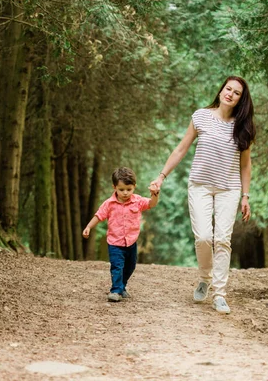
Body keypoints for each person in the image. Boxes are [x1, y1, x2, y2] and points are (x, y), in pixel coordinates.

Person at [150, 76, 256, 314]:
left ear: (241, 99)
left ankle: (219, 293)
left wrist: (246, 196)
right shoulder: (200, 116)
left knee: (222, 239)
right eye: (228, 89)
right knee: (203, 237)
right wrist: (161, 177)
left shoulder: (244, 127)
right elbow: (181, 149)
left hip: (229, 189)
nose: (230, 94)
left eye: (236, 92)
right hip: (200, 186)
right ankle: (204, 278)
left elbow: (245, 166)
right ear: (220, 91)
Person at [83, 167, 160, 302]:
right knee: (117, 266)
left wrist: (155, 194)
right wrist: (89, 227)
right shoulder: (109, 204)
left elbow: (151, 204)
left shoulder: (137, 201)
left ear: (134, 187)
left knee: (131, 266)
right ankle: (115, 290)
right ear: (114, 187)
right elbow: (99, 215)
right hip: (115, 243)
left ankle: (122, 286)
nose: (125, 193)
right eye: (121, 189)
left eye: (129, 189)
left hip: (131, 242)